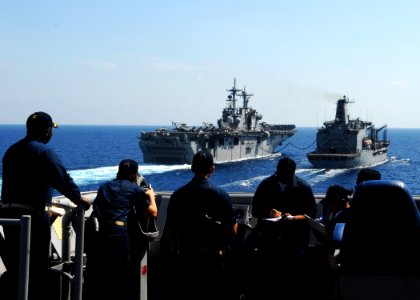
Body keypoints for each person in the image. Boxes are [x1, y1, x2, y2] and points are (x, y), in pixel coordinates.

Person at [0, 111, 91, 300]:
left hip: (9, 218)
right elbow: (62, 180)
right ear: (47, 131)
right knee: (36, 266)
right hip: (33, 218)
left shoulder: (12, 151)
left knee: (17, 265)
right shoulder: (44, 152)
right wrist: (78, 199)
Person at [164, 150, 238, 300]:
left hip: (186, 259)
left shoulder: (178, 195)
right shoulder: (220, 195)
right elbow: (233, 231)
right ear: (212, 168)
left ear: (192, 168)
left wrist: (175, 256)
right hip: (213, 260)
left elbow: (170, 232)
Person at [84, 159, 157, 300]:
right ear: (135, 175)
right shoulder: (135, 189)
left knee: (101, 274)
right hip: (118, 234)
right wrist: (150, 196)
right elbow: (153, 213)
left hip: (100, 233)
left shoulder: (104, 186)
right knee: (121, 276)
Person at [249, 156, 317, 299]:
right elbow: (255, 210)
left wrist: (293, 217)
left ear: (292, 172)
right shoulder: (265, 185)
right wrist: (268, 212)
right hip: (270, 240)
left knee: (292, 280)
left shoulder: (304, 188)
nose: (282, 176)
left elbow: (311, 215)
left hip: (294, 240)